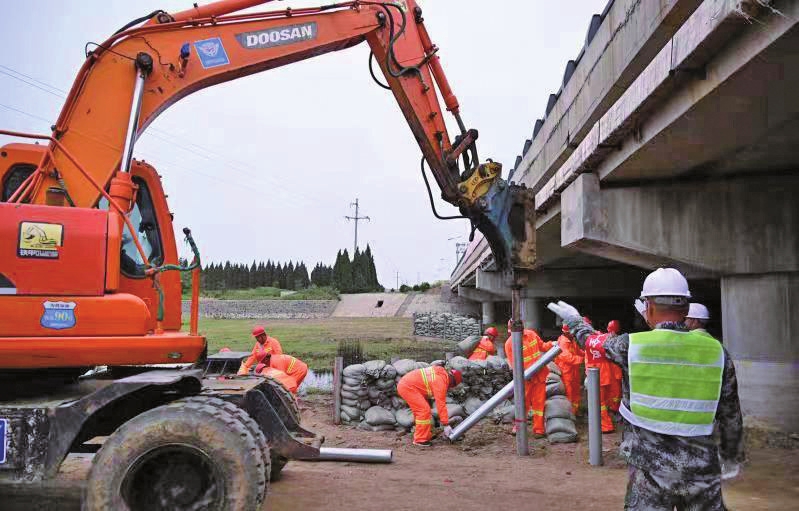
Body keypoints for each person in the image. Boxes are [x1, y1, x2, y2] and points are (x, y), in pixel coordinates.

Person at [548, 268, 744, 510]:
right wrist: (732, 455)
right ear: (686, 309)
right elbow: (731, 414)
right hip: (701, 468)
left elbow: (590, 341)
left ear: (648, 307)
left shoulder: (631, 346)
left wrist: (574, 320)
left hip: (649, 470)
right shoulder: (716, 352)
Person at [504, 319, 554, 436]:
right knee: (522, 403)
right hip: (525, 379)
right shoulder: (509, 344)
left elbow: (542, 346)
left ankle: (539, 429)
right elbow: (514, 365)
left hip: (539, 375)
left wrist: (552, 344)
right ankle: (518, 427)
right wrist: (525, 376)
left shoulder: (531, 334)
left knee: (539, 403)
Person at [396, 365, 462, 446]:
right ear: (452, 381)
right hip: (408, 387)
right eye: (452, 385)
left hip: (407, 385)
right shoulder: (441, 382)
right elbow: (441, 405)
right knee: (423, 410)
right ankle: (420, 439)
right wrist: (446, 424)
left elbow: (425, 386)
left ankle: (423, 434)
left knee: (422, 411)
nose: (449, 387)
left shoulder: (441, 373)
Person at [554, 324, 585, 415]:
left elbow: (578, 351)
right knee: (569, 393)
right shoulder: (563, 342)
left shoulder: (571, 340)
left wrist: (587, 354)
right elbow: (568, 358)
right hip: (566, 372)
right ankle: (569, 414)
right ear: (567, 332)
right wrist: (583, 359)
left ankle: (575, 411)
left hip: (573, 371)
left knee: (576, 392)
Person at [606, 320, 623, 415]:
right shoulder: (619, 340)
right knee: (615, 391)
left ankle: (613, 407)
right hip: (615, 370)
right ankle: (614, 407)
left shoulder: (605, 339)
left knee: (613, 391)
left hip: (611, 370)